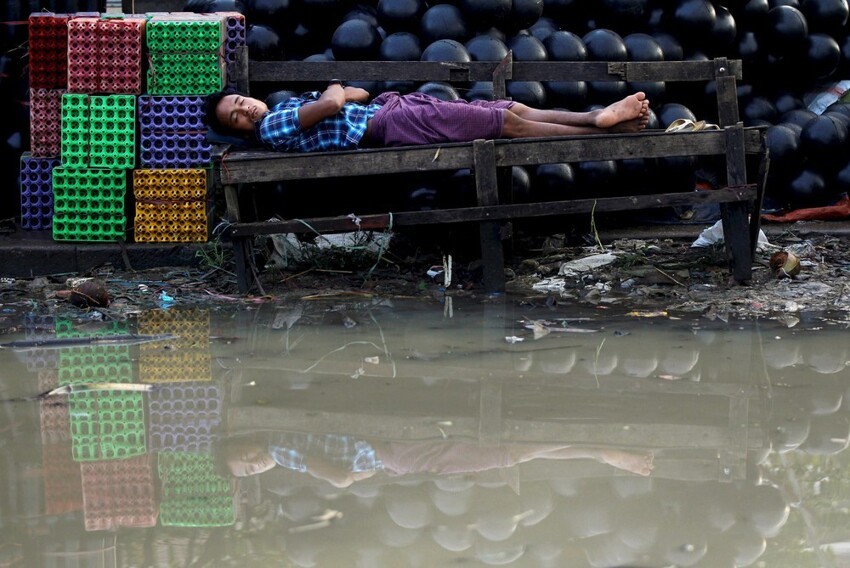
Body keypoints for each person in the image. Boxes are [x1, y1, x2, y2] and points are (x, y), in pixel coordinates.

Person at [204, 83, 650, 153]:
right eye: (236, 118)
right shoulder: (272, 127)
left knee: (509, 109)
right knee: (504, 126)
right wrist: (331, 90)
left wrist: (336, 92)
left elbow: (357, 92)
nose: (246, 111)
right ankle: (598, 123)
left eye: (240, 102)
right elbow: (337, 103)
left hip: (393, 108)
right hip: (389, 125)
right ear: (242, 131)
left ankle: (599, 119)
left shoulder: (282, 109)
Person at [216, 431, 654, 486]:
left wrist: (343, 479)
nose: (256, 460)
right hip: (395, 458)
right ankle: (599, 451)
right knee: (507, 455)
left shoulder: (280, 448)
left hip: (397, 452)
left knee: (507, 453)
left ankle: (602, 450)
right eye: (251, 467)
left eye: (245, 455)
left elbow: (338, 478)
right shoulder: (284, 453)